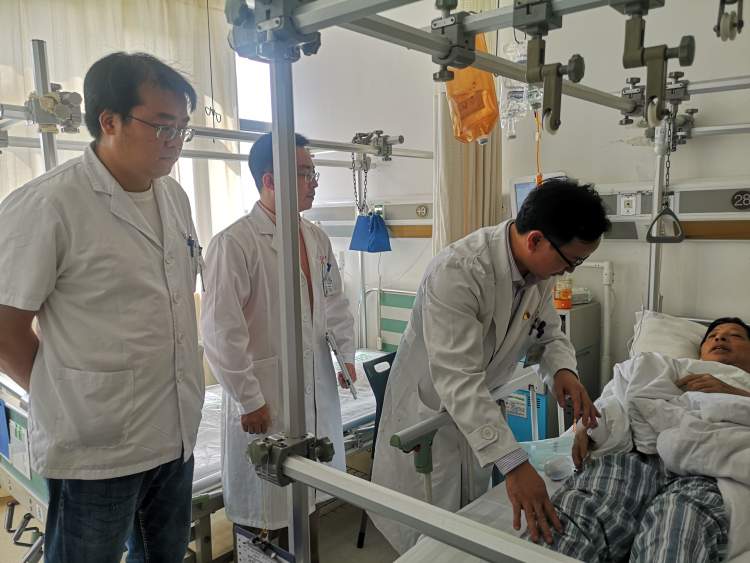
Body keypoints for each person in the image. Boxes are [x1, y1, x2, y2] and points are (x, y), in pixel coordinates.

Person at [0, 52, 203, 562]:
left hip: (175, 433)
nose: (175, 140)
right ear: (109, 121)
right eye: (162, 126)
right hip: (96, 450)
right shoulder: (49, 204)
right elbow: (4, 329)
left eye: (182, 127)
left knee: (164, 556)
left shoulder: (175, 198)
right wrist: (67, 396)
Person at [371, 178, 611, 553]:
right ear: (535, 240)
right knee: (426, 543)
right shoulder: (458, 272)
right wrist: (514, 464)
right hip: (430, 419)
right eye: (571, 261)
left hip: (474, 421)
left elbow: (548, 335)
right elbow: (459, 379)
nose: (568, 272)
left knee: (467, 528)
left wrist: (563, 371)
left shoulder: (538, 275)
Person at [200, 132, 355, 561]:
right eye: (304, 173)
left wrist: (346, 356)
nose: (314, 183)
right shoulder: (234, 244)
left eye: (313, 173)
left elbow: (334, 302)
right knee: (267, 519)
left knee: (308, 508)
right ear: (270, 180)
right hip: (264, 399)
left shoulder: (315, 238)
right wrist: (249, 399)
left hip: (313, 391)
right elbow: (220, 332)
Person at [541, 317, 750, 562]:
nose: (720, 337)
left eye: (735, 335)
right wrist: (587, 428)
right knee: (583, 508)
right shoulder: (666, 366)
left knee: (679, 523)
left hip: (707, 466)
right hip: (634, 455)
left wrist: (734, 391)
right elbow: (615, 398)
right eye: (713, 335)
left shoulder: (744, 384)